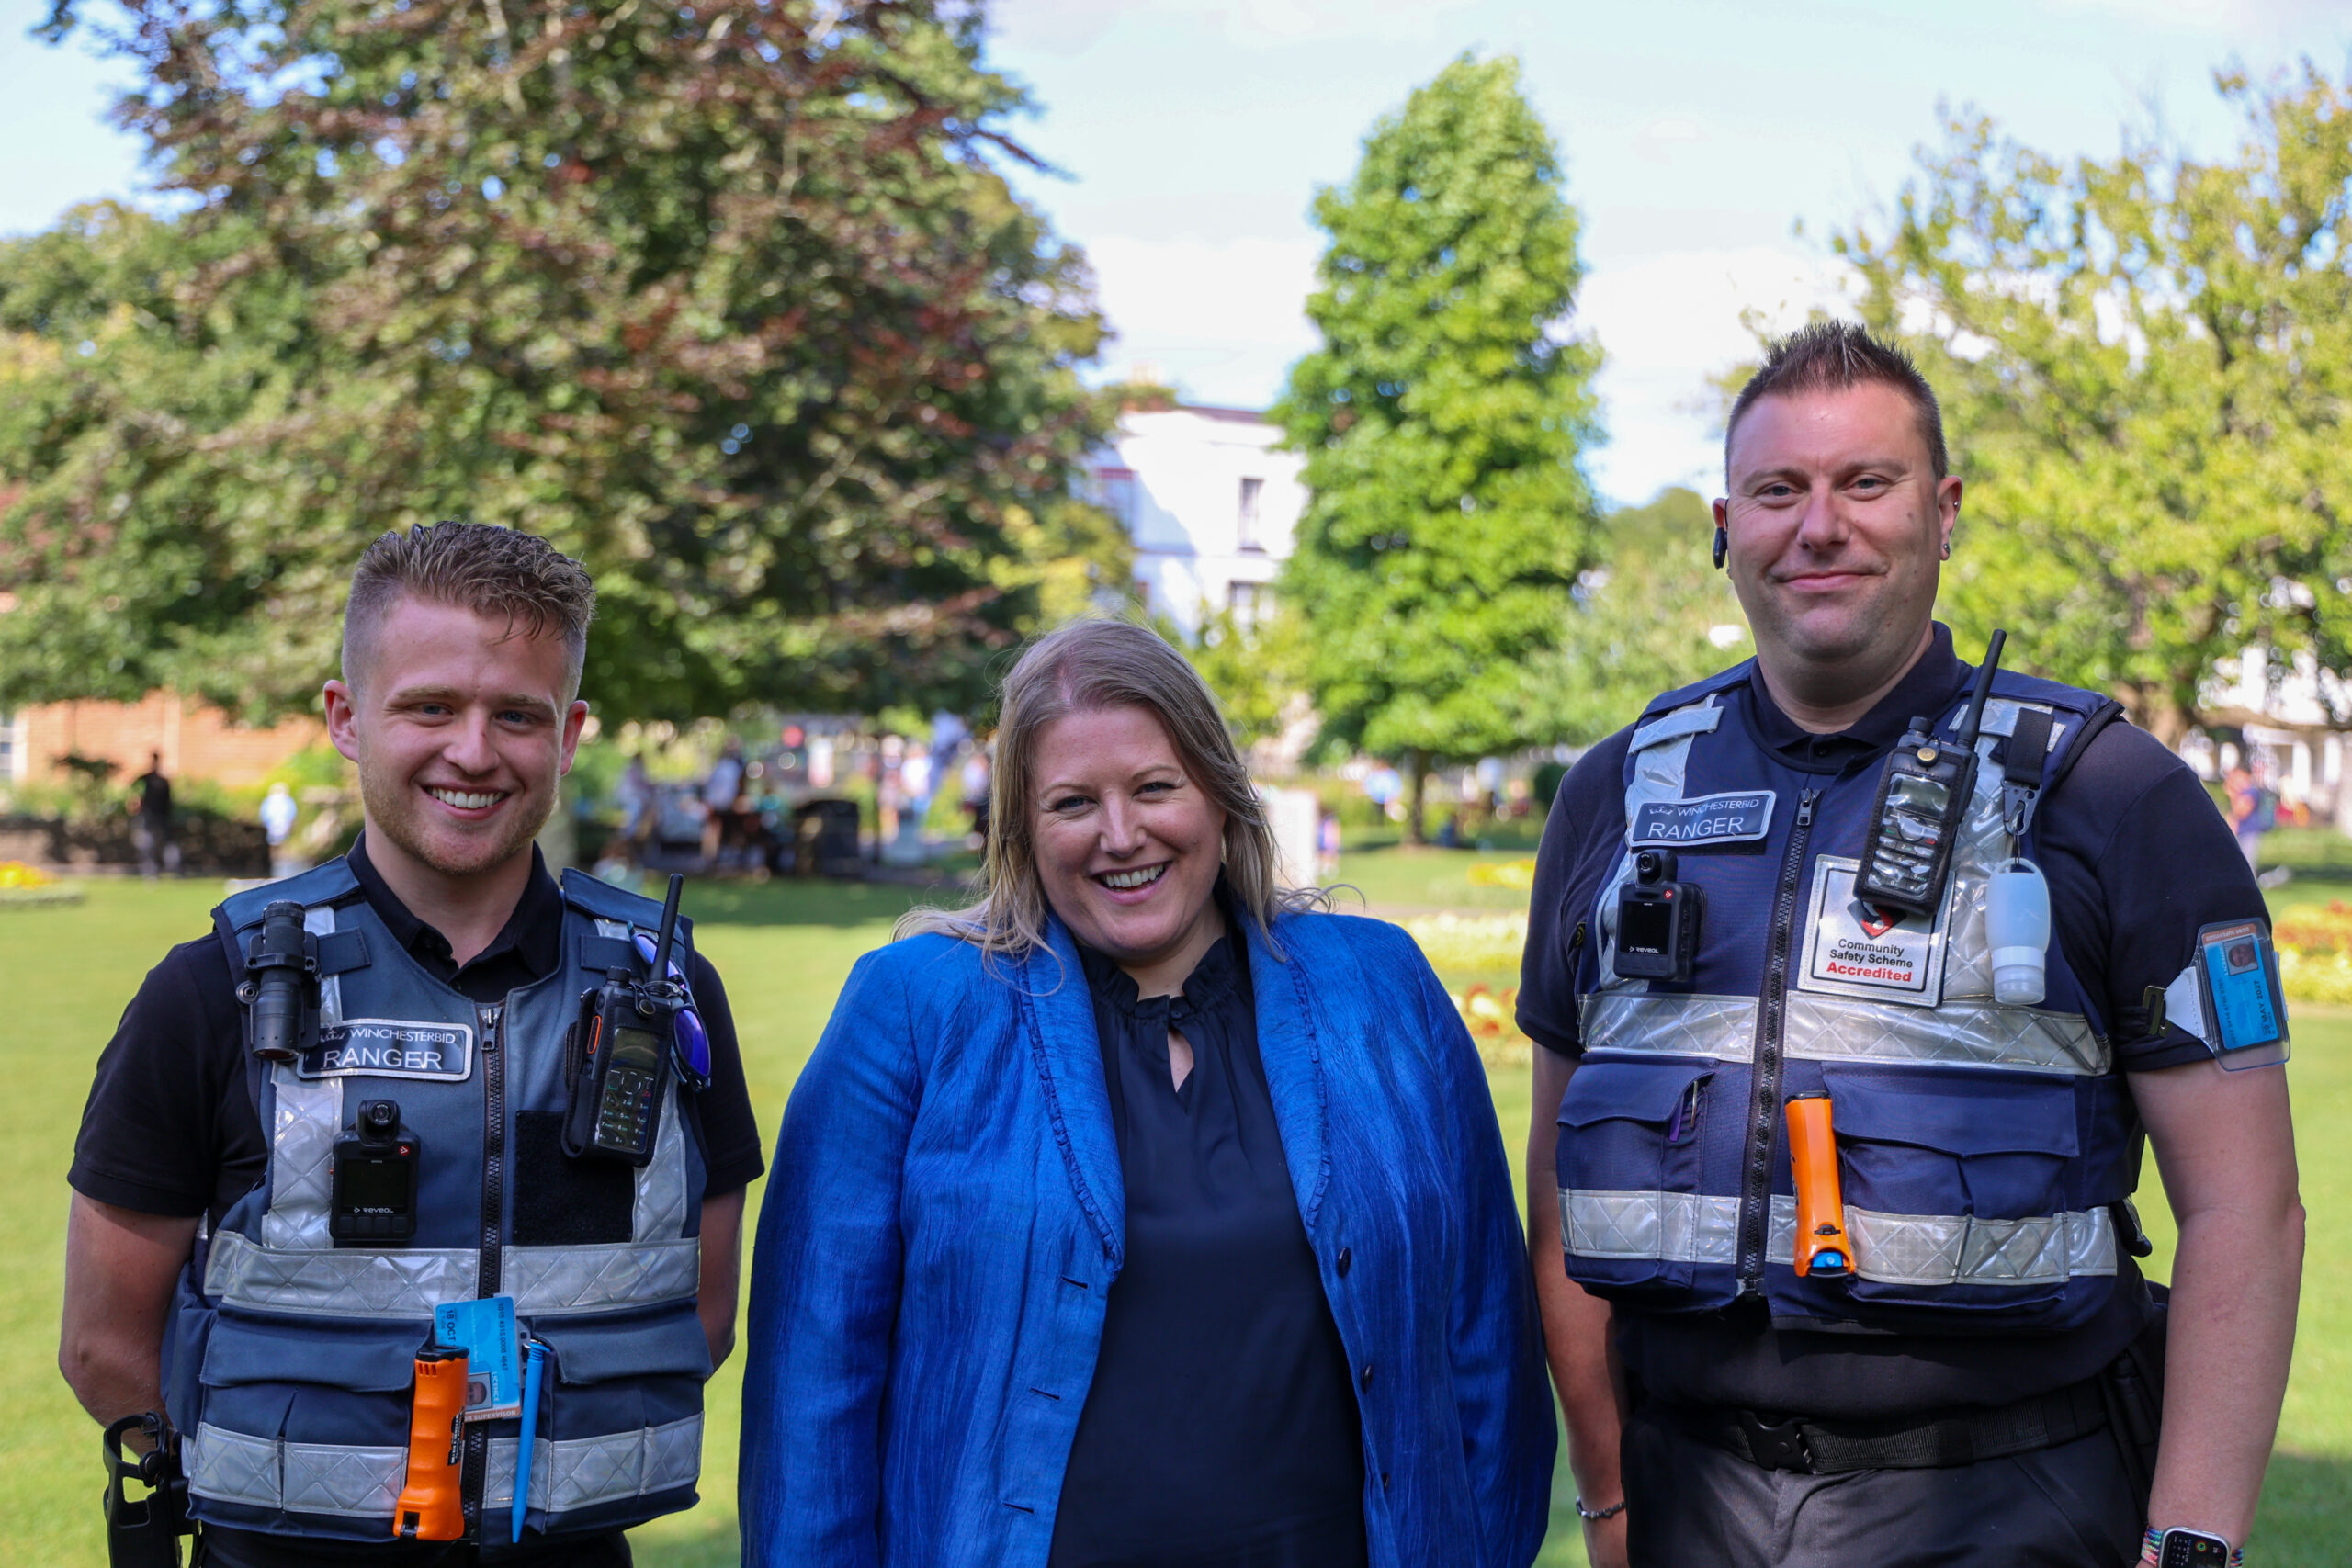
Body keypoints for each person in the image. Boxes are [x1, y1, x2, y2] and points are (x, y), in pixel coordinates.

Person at [1520, 323, 2302, 1568]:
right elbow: (1559, 1196)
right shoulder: (1617, 794)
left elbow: (2243, 1202)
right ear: (1727, 521)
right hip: (1691, 1503)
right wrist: (1609, 1497)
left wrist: (2194, 1532)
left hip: (2014, 1504)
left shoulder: (2115, 796)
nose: (1818, 525)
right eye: (1779, 490)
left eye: (1864, 482)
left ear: (1943, 511)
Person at [740, 617, 1553, 1568]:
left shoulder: (1378, 988)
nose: (1120, 836)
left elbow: (1485, 1338)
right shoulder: (914, 1012)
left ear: (1216, 792)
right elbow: (813, 1387)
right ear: (1021, 827)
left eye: (1155, 787)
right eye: (1072, 803)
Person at [62, 522, 766, 1567]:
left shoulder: (664, 991)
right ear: (348, 719)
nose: (473, 752)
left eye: (516, 716)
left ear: (568, 737)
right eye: (430, 705)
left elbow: (699, 1317)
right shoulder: (210, 989)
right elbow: (103, 1346)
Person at [131, 750, 178, 878]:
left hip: (162, 816)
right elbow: (133, 793)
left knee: (167, 843)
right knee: (147, 844)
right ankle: (150, 871)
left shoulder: (163, 781)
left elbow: (169, 801)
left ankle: (172, 869)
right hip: (148, 816)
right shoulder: (145, 779)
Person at [258, 780, 300, 879]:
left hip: (282, 826)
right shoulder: (270, 802)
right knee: (275, 849)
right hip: (274, 827)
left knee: (283, 849)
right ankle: (275, 871)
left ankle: (283, 871)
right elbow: (265, 816)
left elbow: (291, 815)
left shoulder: (286, 801)